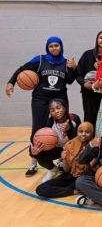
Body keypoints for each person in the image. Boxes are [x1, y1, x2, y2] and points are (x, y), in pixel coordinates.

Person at [5, 36, 77, 177]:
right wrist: (11, 82)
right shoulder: (39, 60)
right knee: (37, 130)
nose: (54, 48)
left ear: (61, 46)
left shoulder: (66, 62)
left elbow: (69, 81)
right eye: (51, 46)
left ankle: (62, 160)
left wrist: (73, 69)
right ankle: (33, 163)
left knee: (62, 130)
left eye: (57, 45)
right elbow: (21, 69)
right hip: (40, 99)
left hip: (60, 98)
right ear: (47, 48)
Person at [36, 122, 94, 198]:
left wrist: (85, 159)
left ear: (92, 133)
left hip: (83, 178)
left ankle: (69, 190)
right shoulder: (70, 144)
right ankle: (73, 191)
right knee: (40, 189)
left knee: (79, 183)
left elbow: (88, 171)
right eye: (81, 131)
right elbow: (66, 170)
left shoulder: (94, 146)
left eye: (87, 132)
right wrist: (64, 159)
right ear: (77, 132)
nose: (83, 134)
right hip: (69, 176)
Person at [30, 98, 81, 182]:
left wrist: (69, 130)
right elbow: (39, 142)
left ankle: (64, 162)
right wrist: (34, 152)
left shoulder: (74, 118)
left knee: (70, 175)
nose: (56, 111)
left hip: (72, 150)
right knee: (38, 154)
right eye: (52, 110)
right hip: (58, 149)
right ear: (50, 112)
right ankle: (53, 170)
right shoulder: (48, 123)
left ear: (64, 108)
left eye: (58, 108)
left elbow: (79, 139)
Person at [76, 30, 102, 129]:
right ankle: (90, 144)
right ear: (97, 39)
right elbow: (78, 73)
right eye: (101, 38)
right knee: (89, 119)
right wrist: (84, 84)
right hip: (89, 94)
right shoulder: (87, 55)